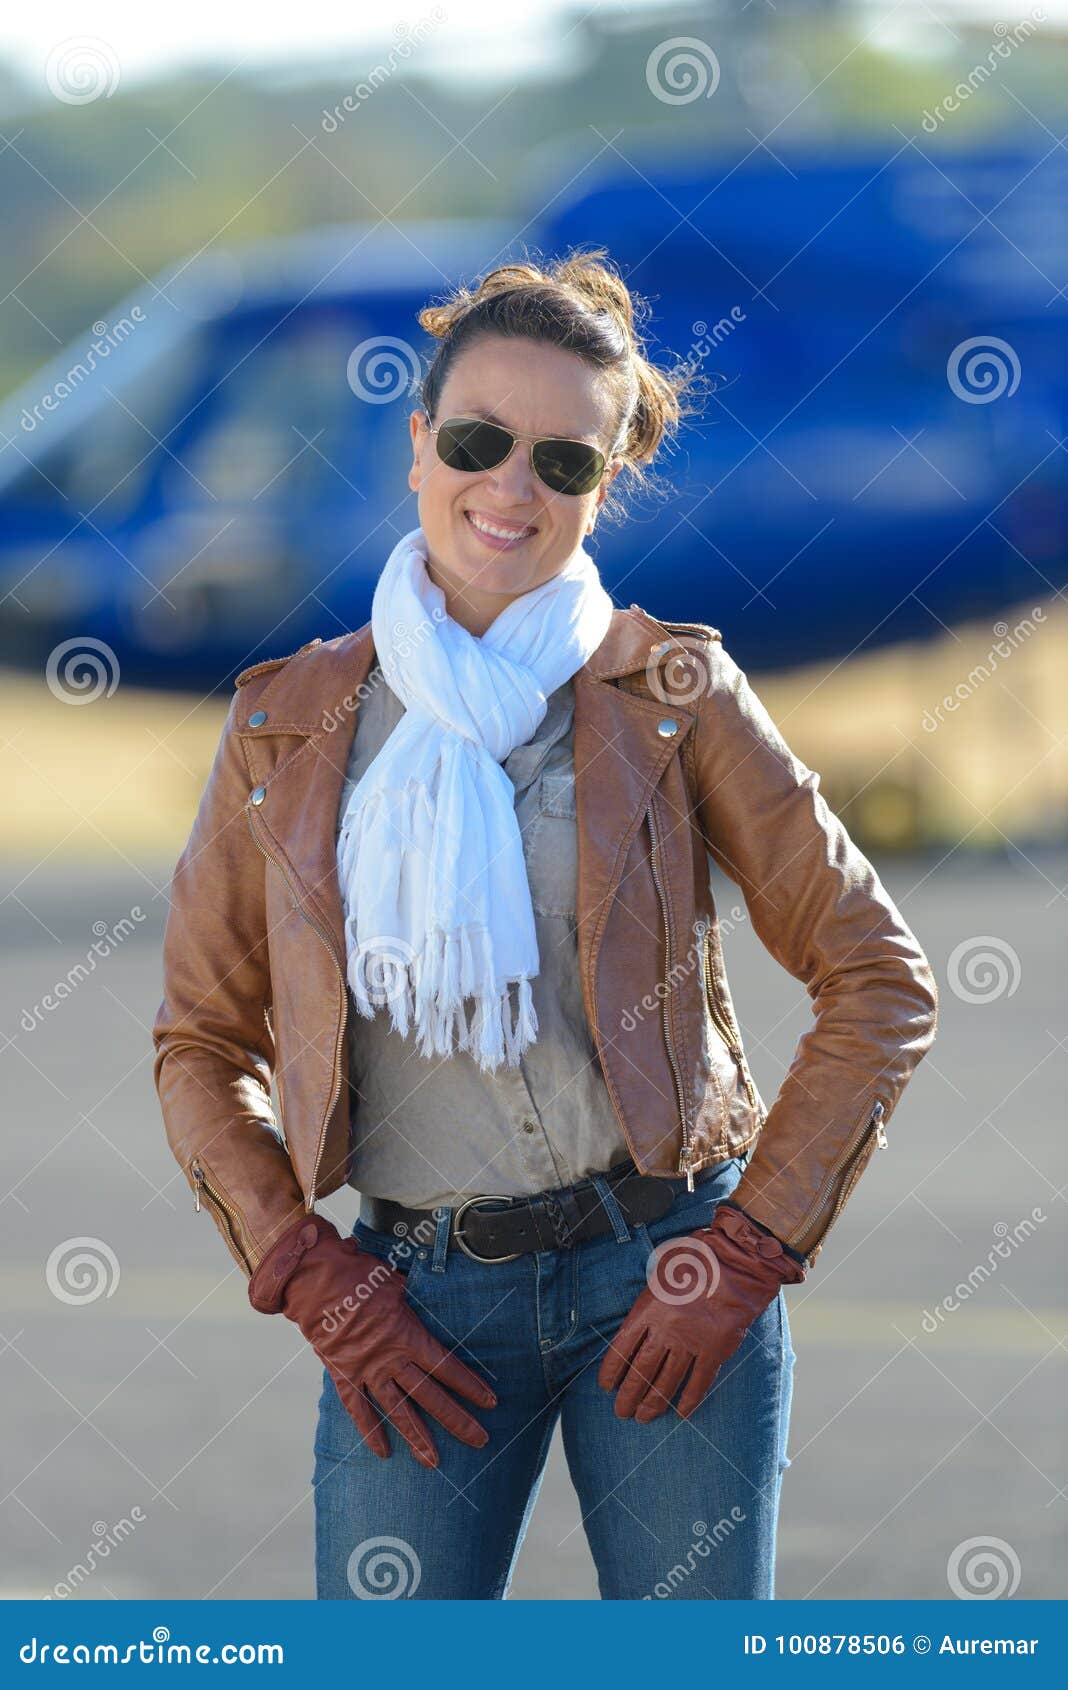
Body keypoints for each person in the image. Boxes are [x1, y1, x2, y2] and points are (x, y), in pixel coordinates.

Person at [152, 248, 938, 1601]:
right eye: (479, 440)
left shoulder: (673, 687)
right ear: (418, 447)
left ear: (604, 484)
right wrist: (304, 1268)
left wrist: (745, 1249)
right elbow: (200, 1039)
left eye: (563, 462)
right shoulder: (287, 720)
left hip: (666, 1281)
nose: (512, 486)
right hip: (414, 1306)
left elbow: (877, 976)